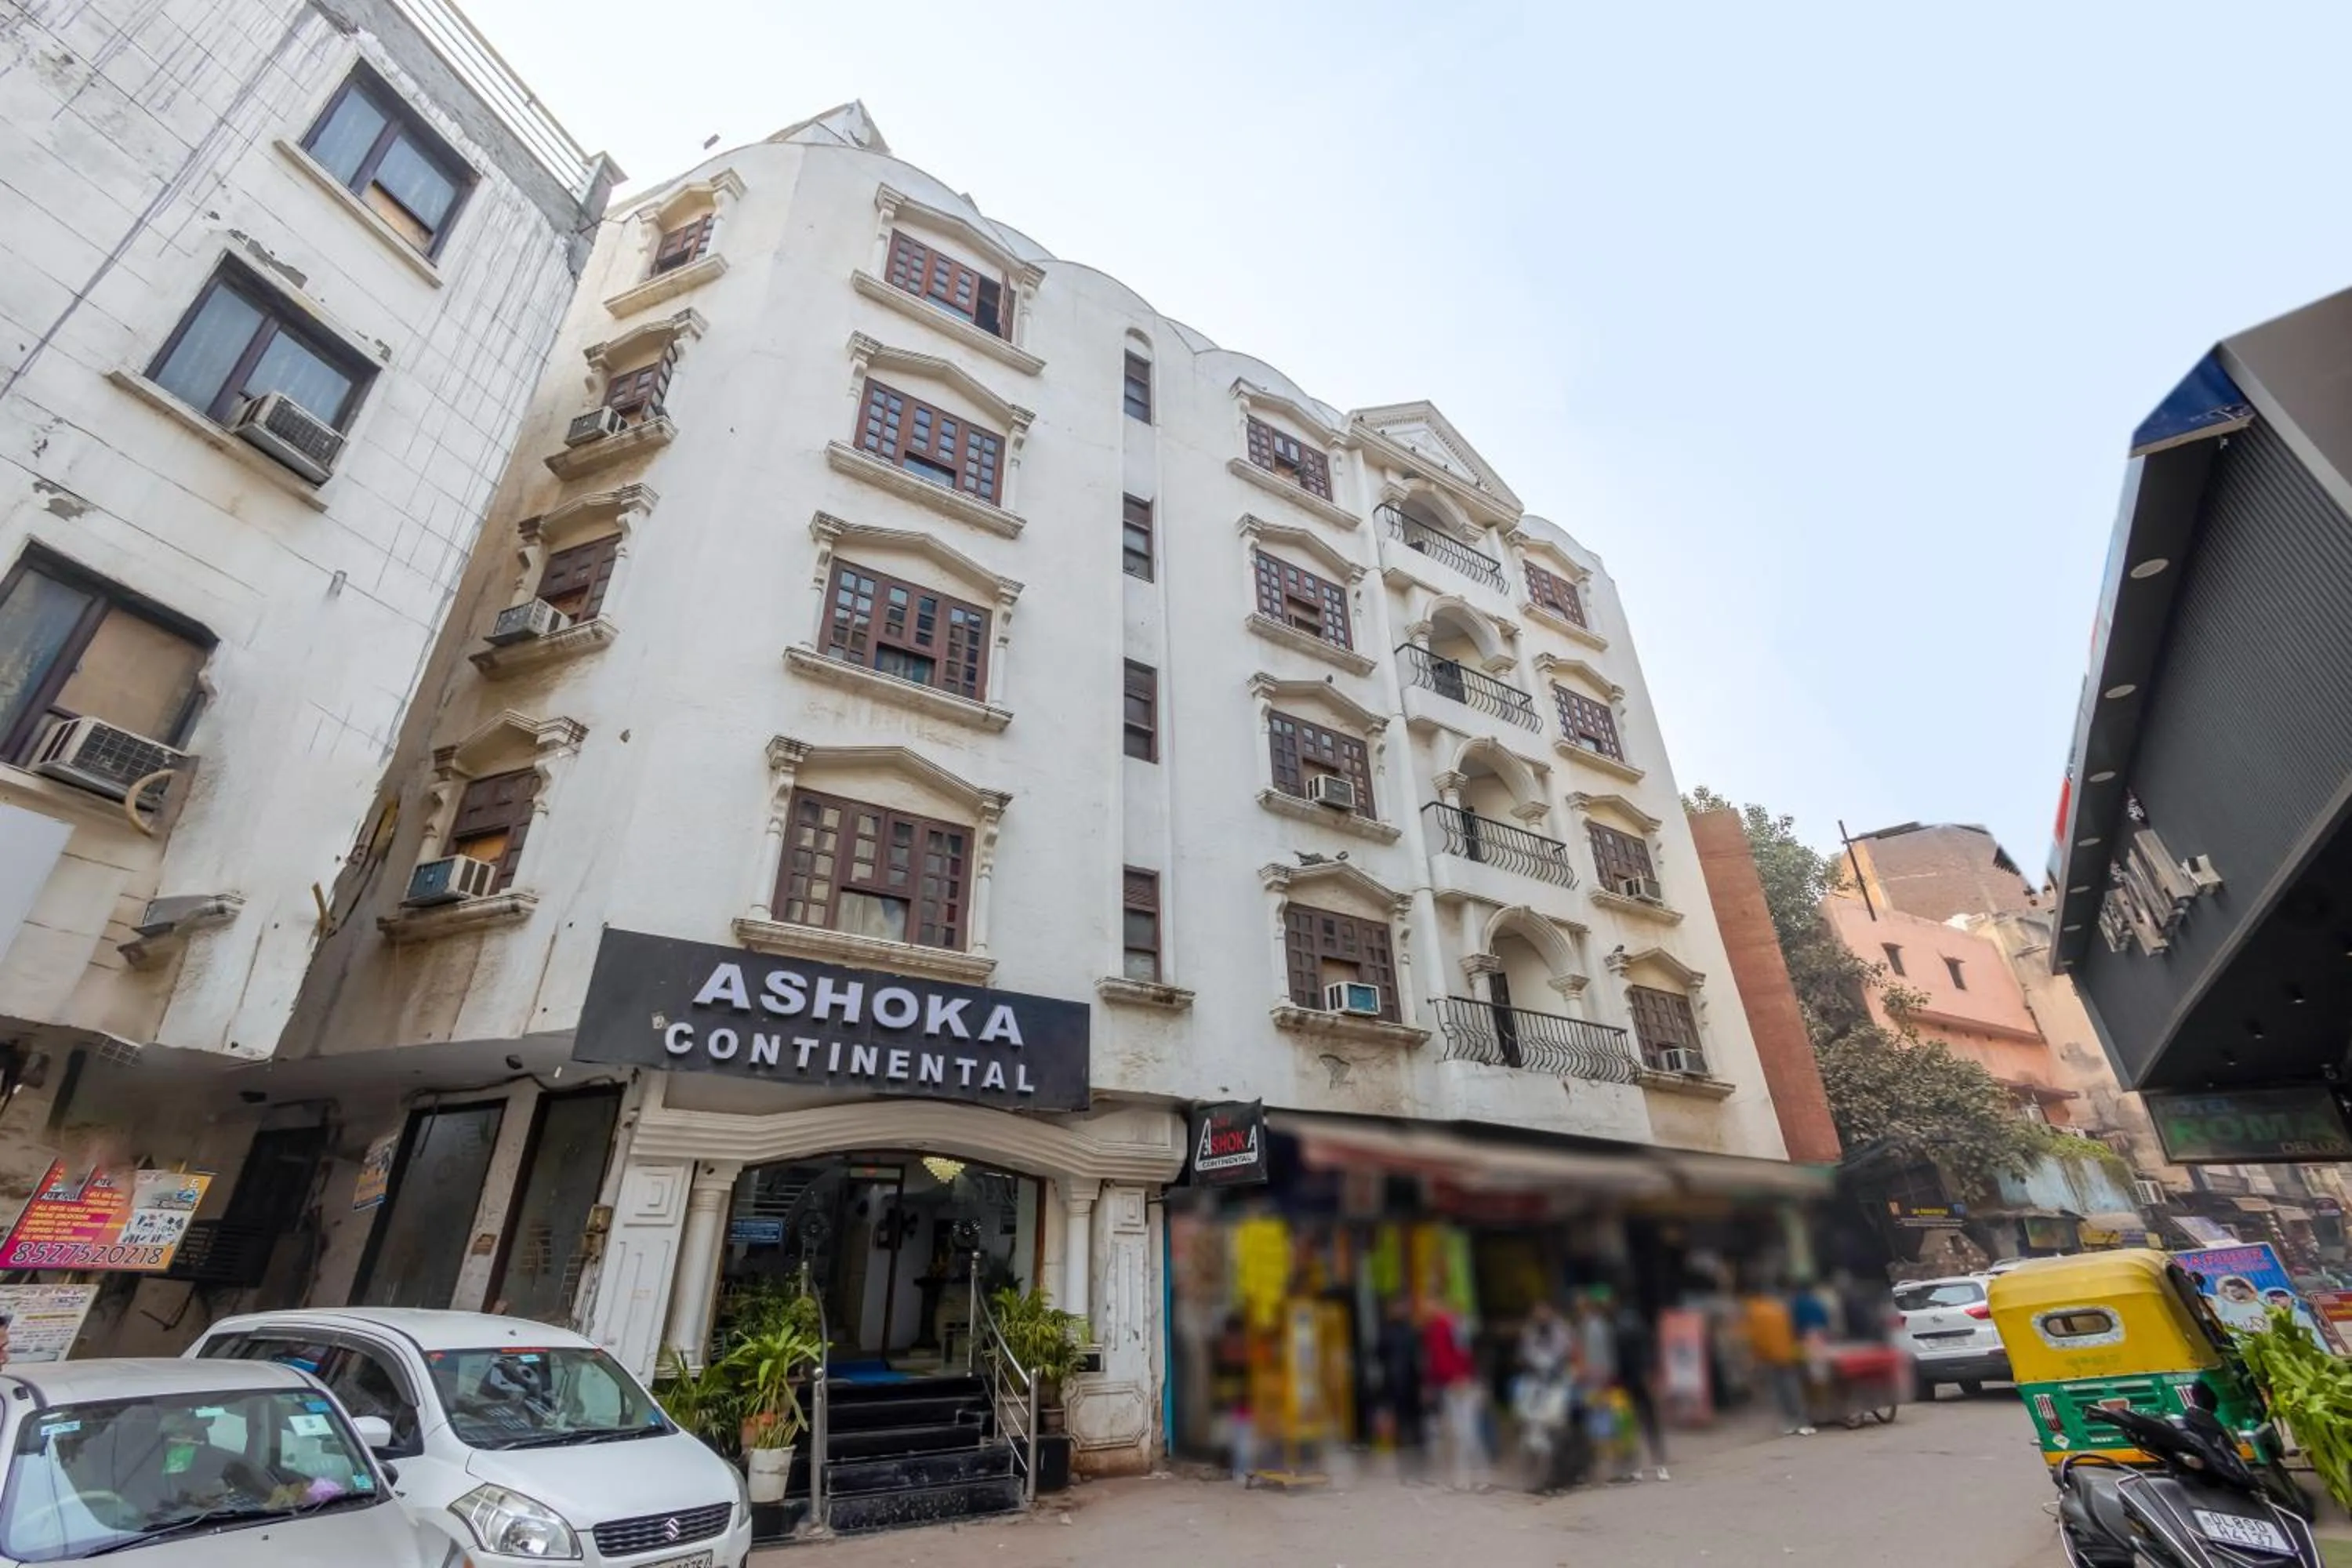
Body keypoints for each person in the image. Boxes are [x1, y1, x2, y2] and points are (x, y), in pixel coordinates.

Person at [1422, 1303, 1483, 1490]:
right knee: (1458, 1428)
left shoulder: (1451, 1326)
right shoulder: (1433, 1330)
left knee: (1464, 1428)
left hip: (1458, 1382)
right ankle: (1467, 1471)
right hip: (1448, 1382)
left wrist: (1462, 1376)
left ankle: (1472, 1471)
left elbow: (1462, 1353)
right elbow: (1433, 1360)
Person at [1610, 1288, 1668, 1482]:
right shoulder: (1636, 1322)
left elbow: (1620, 1356)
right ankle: (1657, 1452)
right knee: (1648, 1417)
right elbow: (1648, 1347)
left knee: (1629, 1419)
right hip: (1639, 1376)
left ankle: (1631, 1458)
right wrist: (1650, 1369)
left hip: (1628, 1379)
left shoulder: (1619, 1325)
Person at [1744, 1283, 1812, 1436]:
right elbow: (1791, 1329)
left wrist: (1757, 1357)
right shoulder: (1777, 1308)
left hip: (1772, 1357)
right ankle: (1802, 1418)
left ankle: (1790, 1420)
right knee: (1792, 1388)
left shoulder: (1754, 1312)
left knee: (1780, 1392)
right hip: (1787, 1353)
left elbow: (1757, 1339)